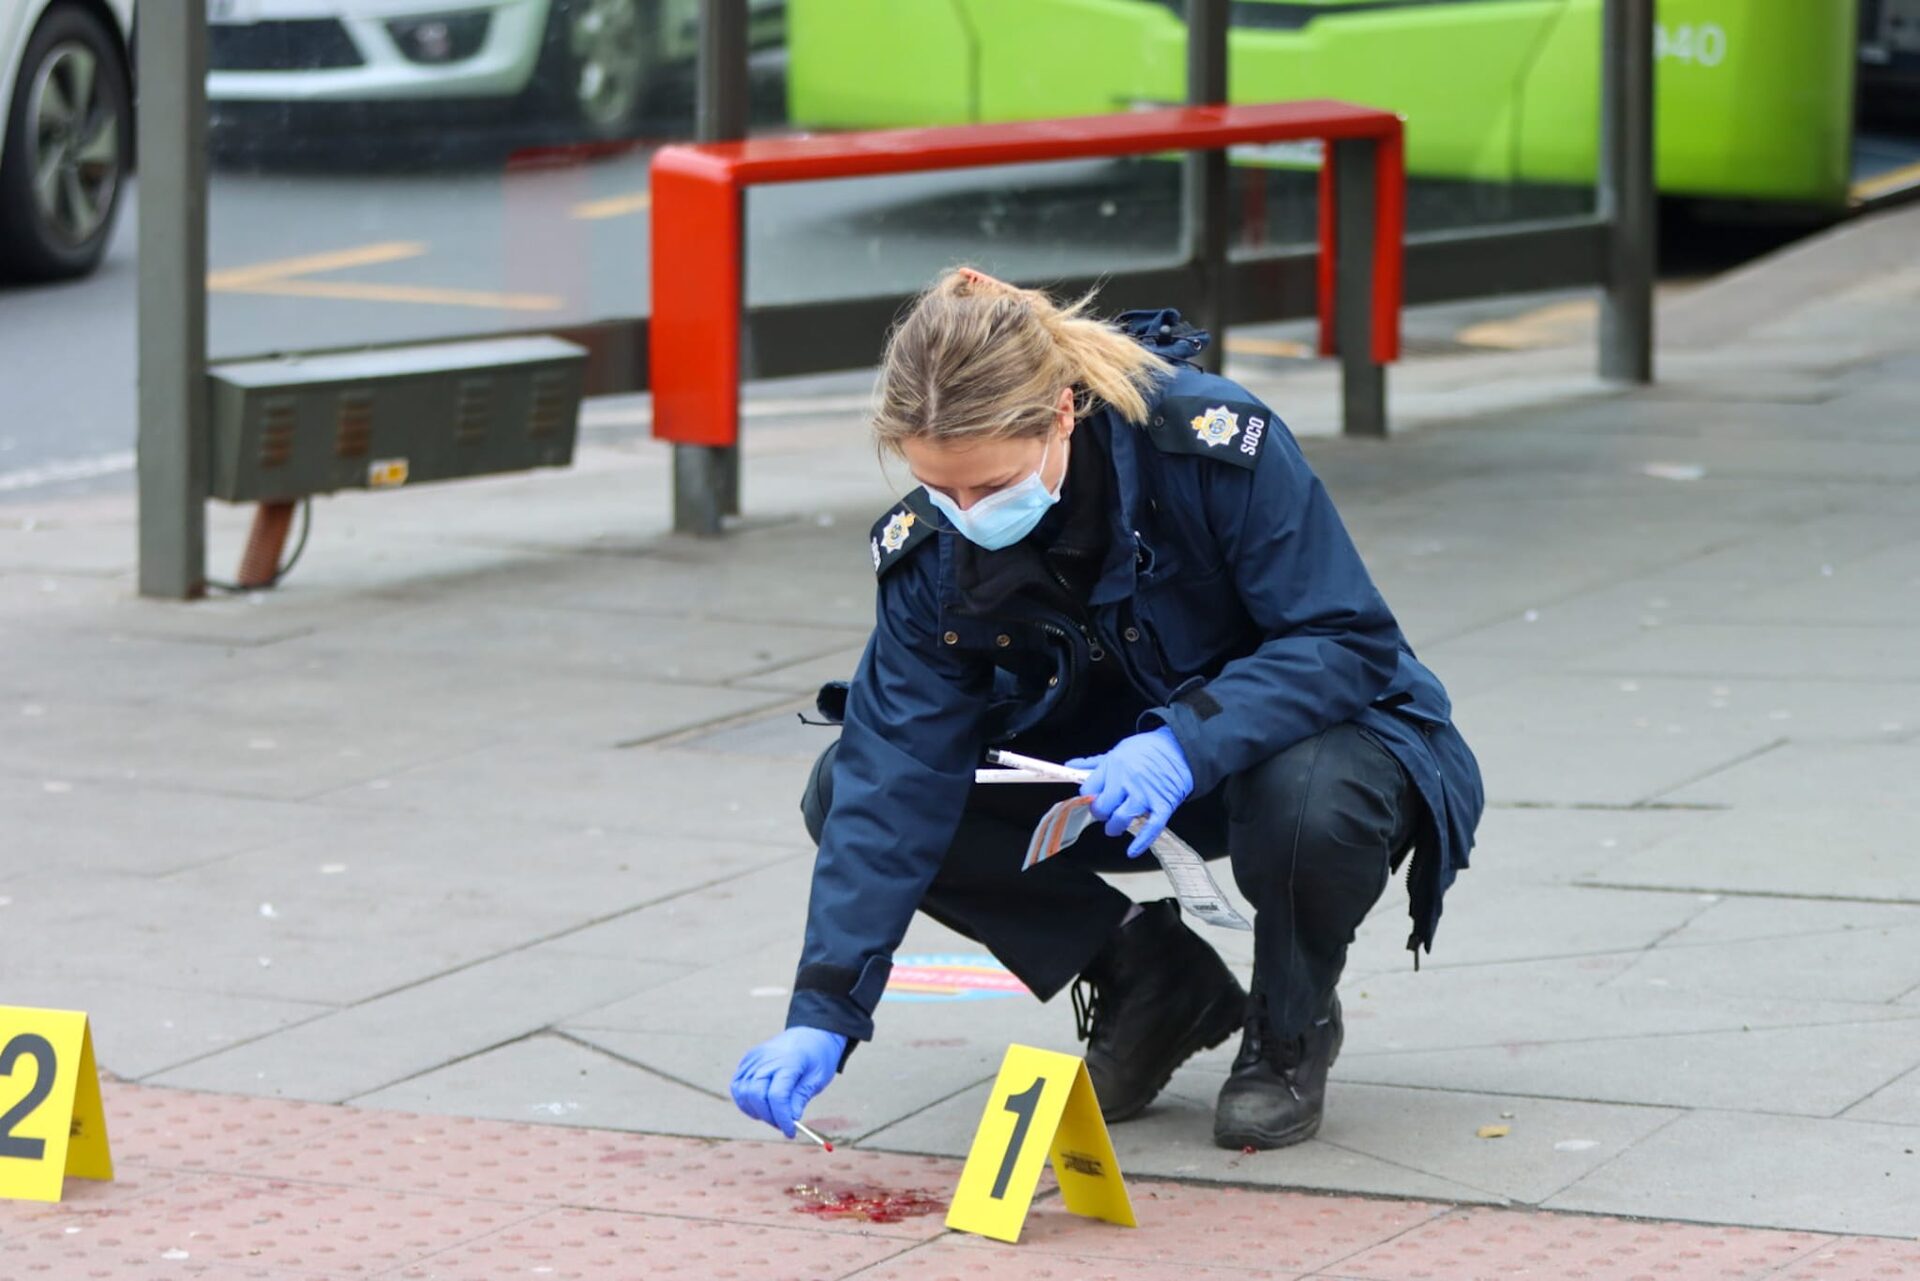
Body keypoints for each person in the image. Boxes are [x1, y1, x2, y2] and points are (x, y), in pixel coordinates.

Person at [730, 269, 1482, 1151]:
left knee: (1309, 795)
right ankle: (1151, 979)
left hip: (1295, 749)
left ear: (1062, 413)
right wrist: (824, 1010)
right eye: (940, 490)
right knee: (843, 788)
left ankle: (1289, 1027)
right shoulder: (934, 547)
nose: (966, 515)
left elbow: (1343, 638)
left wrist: (1182, 743)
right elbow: (894, 771)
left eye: (991, 485)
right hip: (1099, 782)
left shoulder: (1204, 444)